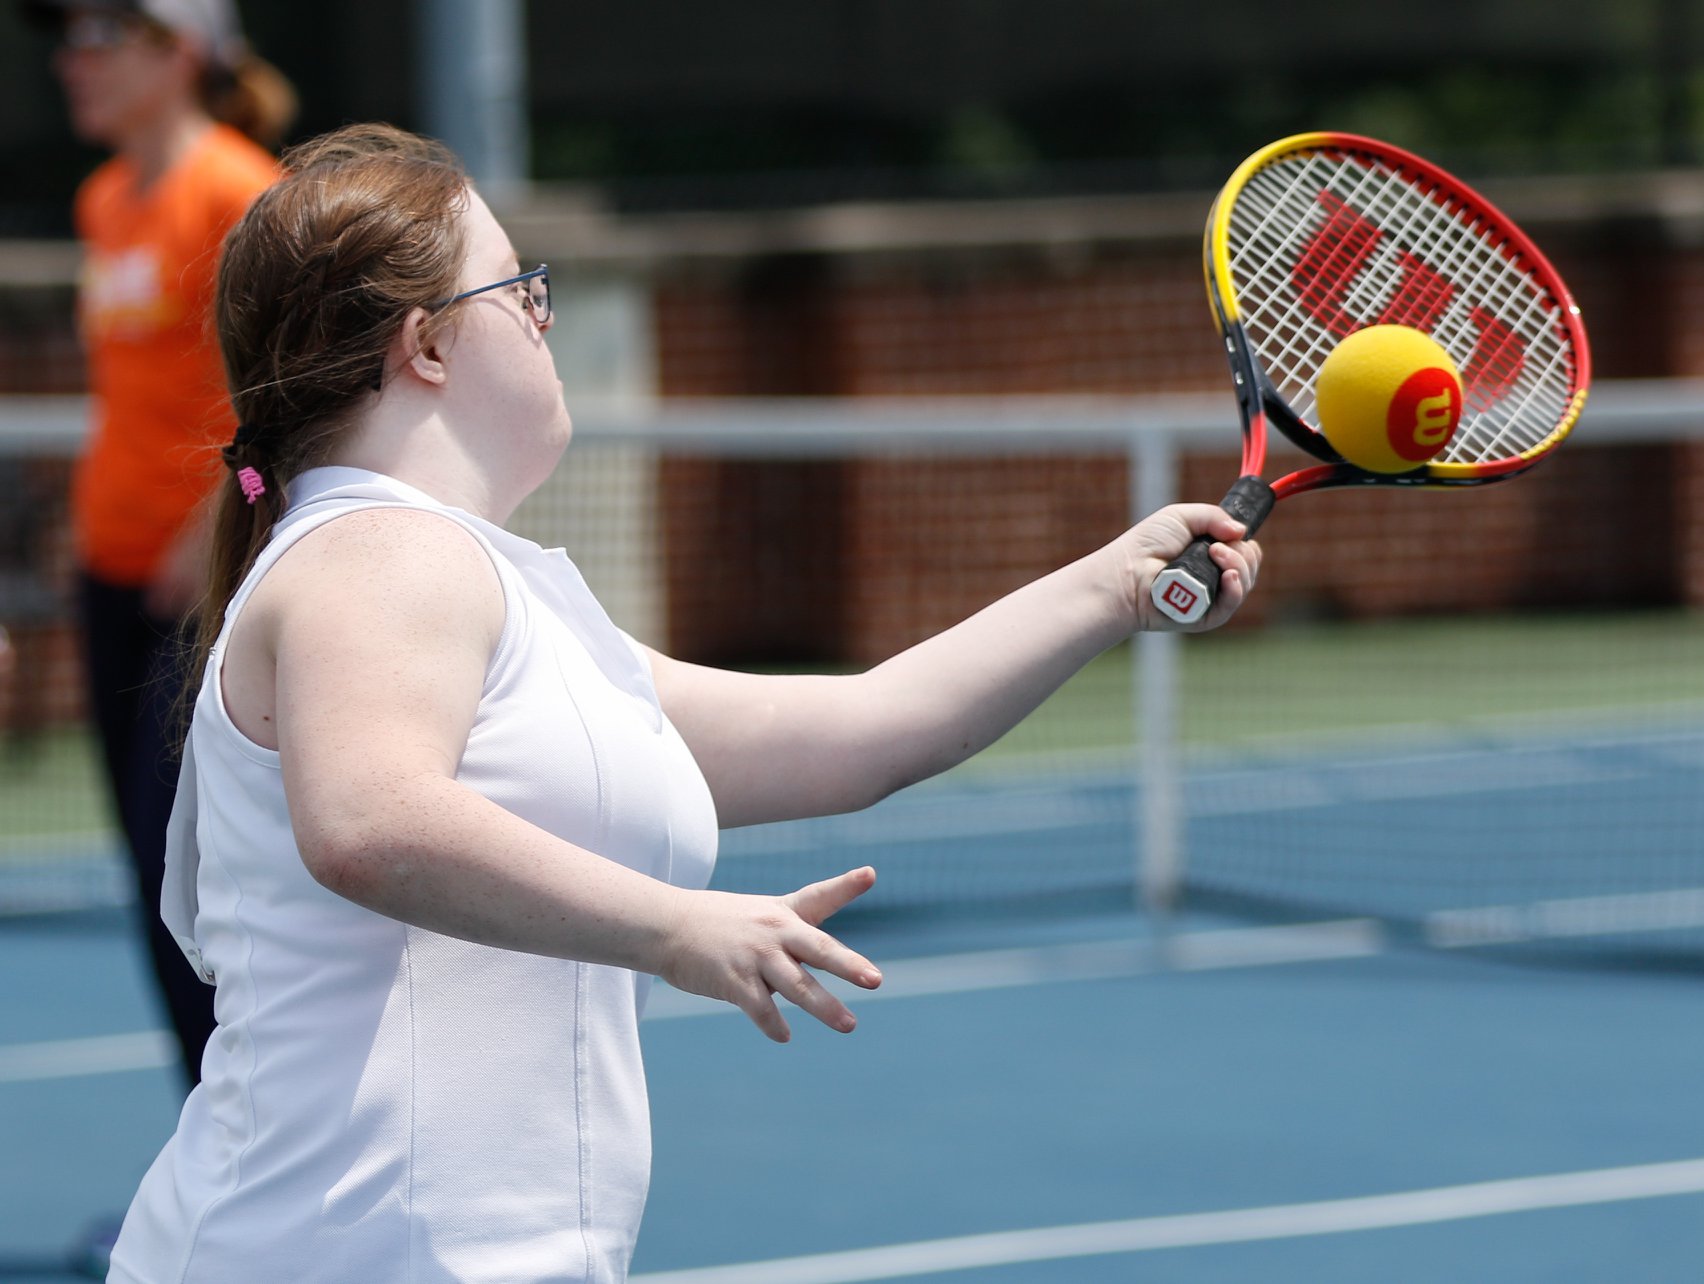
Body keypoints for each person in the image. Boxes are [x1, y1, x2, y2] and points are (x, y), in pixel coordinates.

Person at [107, 123, 1262, 1284]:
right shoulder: (383, 554)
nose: (543, 316)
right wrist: (677, 924)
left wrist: (1113, 586)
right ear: (428, 347)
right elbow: (369, 822)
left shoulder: (502, 595)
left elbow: (860, 733)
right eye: (521, 288)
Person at [22, 0, 295, 1094]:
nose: (70, 62)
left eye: (101, 37)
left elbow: (284, 408)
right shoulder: (103, 201)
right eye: (69, 37)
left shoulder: (239, 194)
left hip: (201, 595)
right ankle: (212, 1151)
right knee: (150, 874)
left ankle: (256, 1152)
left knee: (203, 882)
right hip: (112, 582)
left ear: (177, 53)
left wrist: (214, 524)